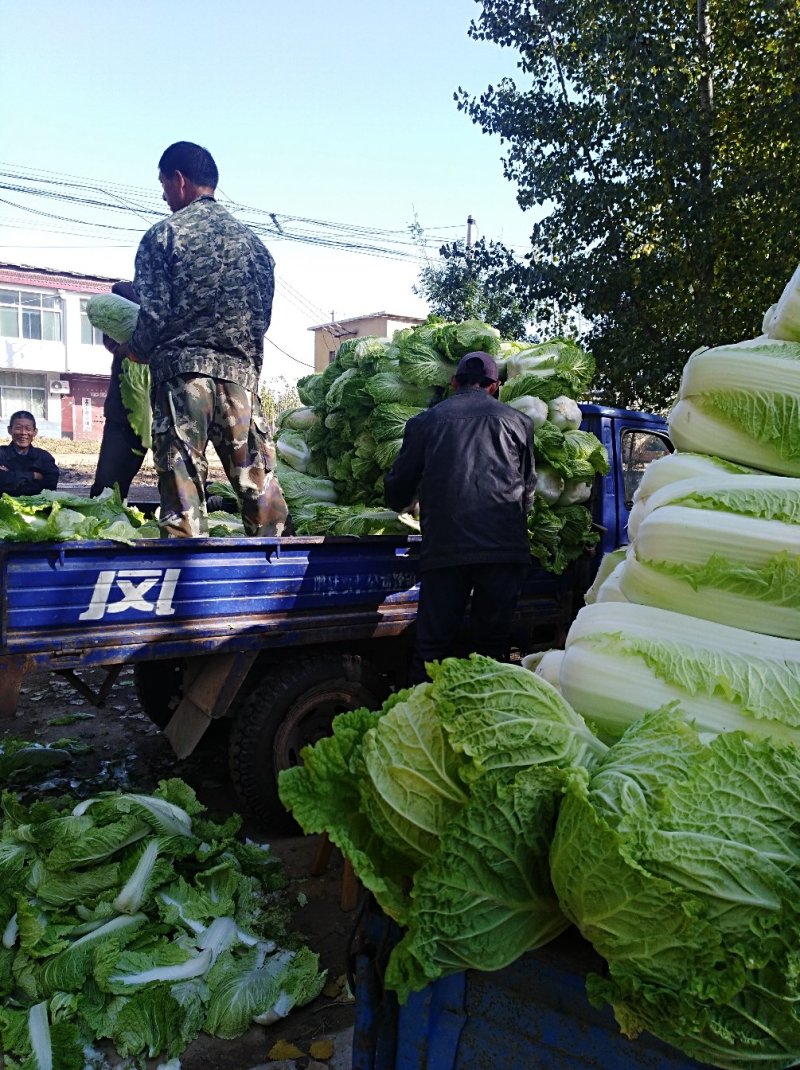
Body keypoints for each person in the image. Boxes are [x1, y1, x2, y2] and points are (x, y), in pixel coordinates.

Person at [126, 140, 288, 538]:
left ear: (179, 180)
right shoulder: (256, 248)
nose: (164, 195)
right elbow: (261, 322)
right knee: (259, 487)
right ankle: (277, 577)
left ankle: (188, 590)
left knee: (183, 492)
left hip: (183, 381)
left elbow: (154, 316)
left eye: (163, 184)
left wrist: (133, 347)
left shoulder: (164, 236)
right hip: (240, 382)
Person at [384, 351, 535, 683]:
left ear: (453, 383)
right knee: (491, 651)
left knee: (432, 649)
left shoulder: (425, 423)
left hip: (446, 551)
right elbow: (527, 490)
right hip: (504, 551)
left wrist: (403, 502)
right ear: (495, 386)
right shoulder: (519, 423)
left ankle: (418, 722)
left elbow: (397, 489)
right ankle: (484, 720)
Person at [90, 280, 147, 499]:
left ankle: (175, 532)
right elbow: (112, 338)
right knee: (107, 486)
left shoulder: (185, 293)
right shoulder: (125, 292)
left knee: (177, 489)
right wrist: (139, 347)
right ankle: (100, 530)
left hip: (170, 414)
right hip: (125, 413)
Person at [0, 411, 59, 496]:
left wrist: (11, 476)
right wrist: (33, 475)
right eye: (18, 428)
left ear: (35, 432)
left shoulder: (44, 458)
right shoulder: (1, 454)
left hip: (37, 507)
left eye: (28, 429)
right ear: (9, 430)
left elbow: (49, 489)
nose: (23, 433)